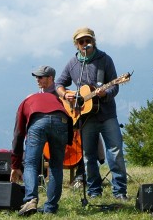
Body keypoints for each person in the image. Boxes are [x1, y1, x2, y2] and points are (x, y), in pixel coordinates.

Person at [55, 27, 128, 200]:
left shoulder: (105, 59)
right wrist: (66, 95)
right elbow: (59, 83)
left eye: (88, 41)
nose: (85, 44)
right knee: (88, 156)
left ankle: (120, 191)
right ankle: (94, 191)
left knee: (115, 151)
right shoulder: (73, 64)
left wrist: (106, 93)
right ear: (76, 45)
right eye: (81, 42)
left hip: (107, 114)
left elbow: (115, 85)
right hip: (85, 117)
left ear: (93, 41)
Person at [10, 66, 72, 215]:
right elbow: (67, 117)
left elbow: (18, 134)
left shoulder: (26, 101)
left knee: (31, 164)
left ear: (50, 78)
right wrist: (68, 140)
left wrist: (15, 164)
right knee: (56, 166)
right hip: (61, 121)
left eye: (40, 77)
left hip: (38, 122)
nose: (37, 80)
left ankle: (30, 200)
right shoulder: (56, 98)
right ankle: (50, 208)